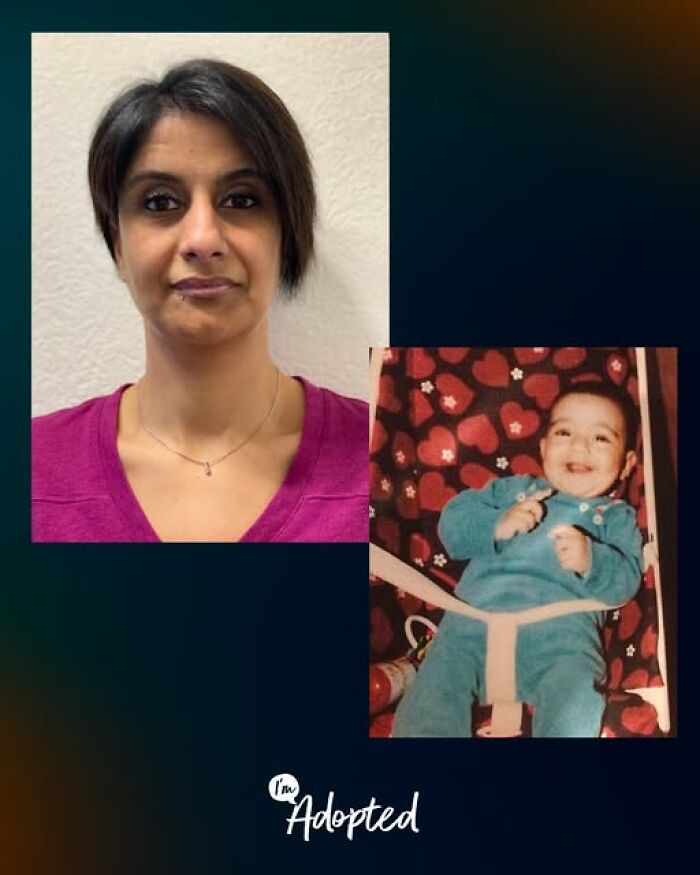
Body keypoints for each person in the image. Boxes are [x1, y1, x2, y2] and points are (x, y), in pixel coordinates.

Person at [32, 59, 368, 543]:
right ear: (119, 246)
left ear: (287, 235)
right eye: (160, 202)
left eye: (242, 199)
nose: (202, 239)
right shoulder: (32, 469)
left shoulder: (391, 464)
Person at [392, 382, 643, 737]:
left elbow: (625, 584)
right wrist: (496, 524)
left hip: (561, 643)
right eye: (565, 431)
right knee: (434, 691)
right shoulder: (515, 490)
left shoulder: (616, 517)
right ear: (543, 447)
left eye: (601, 438)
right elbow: (451, 526)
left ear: (627, 464)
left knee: (574, 693)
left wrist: (592, 560)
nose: (579, 445)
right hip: (471, 628)